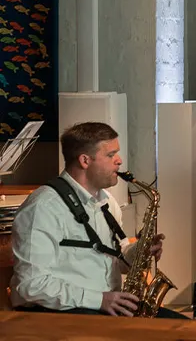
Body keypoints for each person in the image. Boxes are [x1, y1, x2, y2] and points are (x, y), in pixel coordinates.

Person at [9, 122, 172, 317]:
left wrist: (140, 253)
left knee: (186, 329)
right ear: (85, 161)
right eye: (111, 155)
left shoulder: (107, 202)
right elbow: (31, 285)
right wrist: (99, 300)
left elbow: (115, 260)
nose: (119, 161)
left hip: (105, 308)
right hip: (62, 315)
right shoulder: (43, 208)